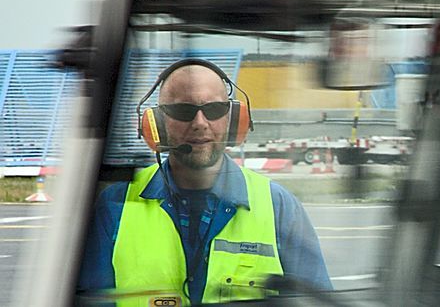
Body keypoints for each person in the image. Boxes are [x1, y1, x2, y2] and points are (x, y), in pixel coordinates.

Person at [78, 59, 332, 305]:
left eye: (214, 110)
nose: (200, 124)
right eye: (183, 111)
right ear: (157, 123)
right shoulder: (116, 206)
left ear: (233, 120)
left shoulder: (280, 207)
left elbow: (315, 301)